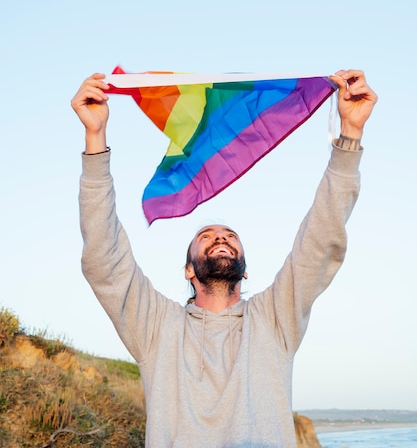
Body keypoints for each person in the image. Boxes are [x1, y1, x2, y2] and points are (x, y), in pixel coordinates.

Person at [71, 69, 377, 448]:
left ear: (245, 272)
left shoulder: (275, 318)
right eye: (206, 236)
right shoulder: (156, 327)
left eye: (230, 237)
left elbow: (321, 239)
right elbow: (104, 258)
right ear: (188, 269)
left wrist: (350, 135)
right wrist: (95, 139)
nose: (220, 237)